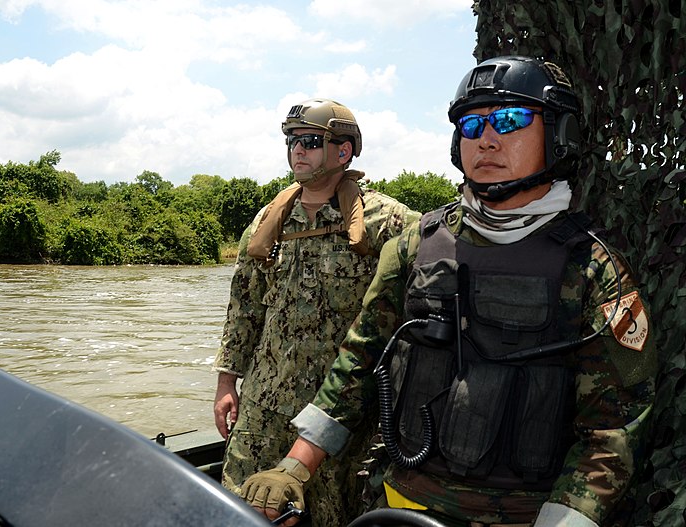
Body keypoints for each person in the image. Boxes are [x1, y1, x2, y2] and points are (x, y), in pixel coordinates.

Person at [239, 56, 657, 527]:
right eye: (472, 124)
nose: (488, 139)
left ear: (560, 135)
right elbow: (356, 364)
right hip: (404, 502)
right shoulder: (416, 246)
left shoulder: (593, 267)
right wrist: (295, 464)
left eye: (510, 119)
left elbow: (615, 424)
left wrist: (569, 518)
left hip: (528, 515)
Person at [212, 98, 420, 526]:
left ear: (343, 152)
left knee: (335, 516)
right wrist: (226, 382)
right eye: (291, 142)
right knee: (238, 509)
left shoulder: (389, 223)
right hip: (263, 407)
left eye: (309, 141)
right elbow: (244, 309)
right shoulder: (269, 222)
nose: (297, 150)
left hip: (340, 413)